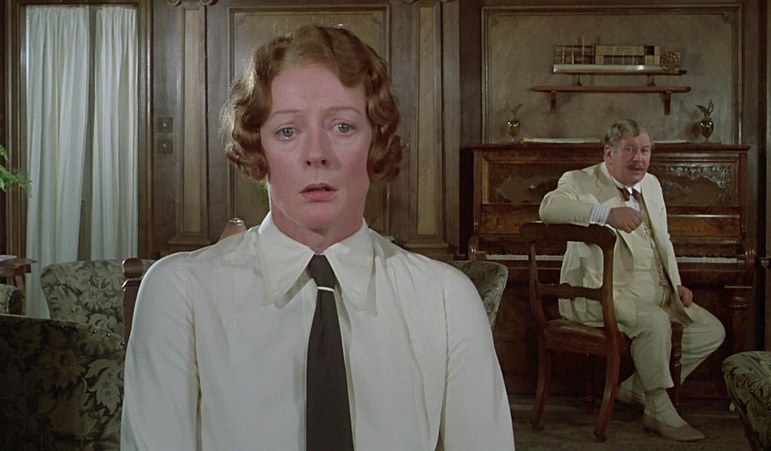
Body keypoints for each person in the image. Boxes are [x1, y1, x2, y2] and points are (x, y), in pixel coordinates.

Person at [121, 25, 514, 450]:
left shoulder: (445, 301)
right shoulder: (182, 293)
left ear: (376, 142)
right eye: (287, 131)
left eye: (342, 126)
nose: (316, 154)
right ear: (259, 147)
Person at [538, 119, 725, 442]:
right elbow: (548, 208)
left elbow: (663, 239)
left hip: (654, 293)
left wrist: (676, 283)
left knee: (710, 330)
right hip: (601, 294)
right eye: (629, 150)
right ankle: (658, 409)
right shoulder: (579, 180)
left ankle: (636, 389)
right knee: (655, 322)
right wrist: (606, 214)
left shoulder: (651, 184)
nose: (639, 158)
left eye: (645, 150)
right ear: (609, 153)